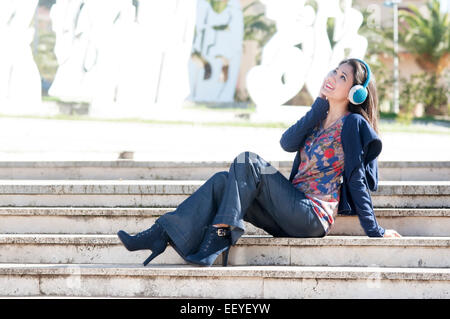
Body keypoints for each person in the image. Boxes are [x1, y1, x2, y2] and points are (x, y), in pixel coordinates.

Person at [117, 58, 402, 267]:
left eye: (343, 77)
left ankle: (220, 235)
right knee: (222, 181)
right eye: (334, 71)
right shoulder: (317, 119)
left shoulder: (351, 124)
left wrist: (375, 230)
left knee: (249, 161)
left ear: (356, 92)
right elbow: (287, 143)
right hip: (289, 211)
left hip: (312, 216)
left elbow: (355, 177)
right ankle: (161, 234)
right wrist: (319, 105)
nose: (333, 77)